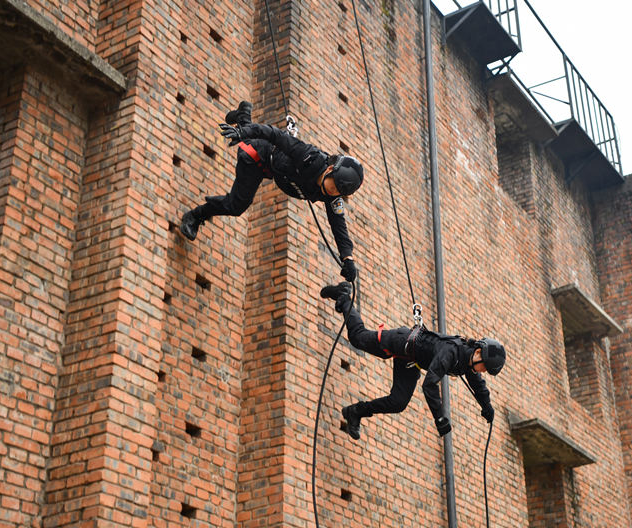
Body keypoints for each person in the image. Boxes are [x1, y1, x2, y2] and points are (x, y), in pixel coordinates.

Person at [180, 101, 363, 282]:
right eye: (334, 186)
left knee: (247, 142)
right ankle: (195, 216)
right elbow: (274, 135)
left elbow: (339, 226)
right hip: (260, 156)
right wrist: (242, 132)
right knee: (236, 206)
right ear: (330, 170)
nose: (333, 192)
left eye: (339, 192)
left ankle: (243, 116)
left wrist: (348, 259)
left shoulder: (333, 196)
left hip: (274, 170)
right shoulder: (308, 157)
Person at [320, 282, 505, 440]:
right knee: (358, 338)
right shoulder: (451, 352)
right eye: (484, 368)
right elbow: (430, 385)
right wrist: (439, 417)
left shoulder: (469, 362)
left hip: (409, 361)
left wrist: (487, 407)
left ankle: (356, 412)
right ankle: (343, 297)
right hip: (400, 341)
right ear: (479, 353)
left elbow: (478, 385)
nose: (482, 372)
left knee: (398, 402)